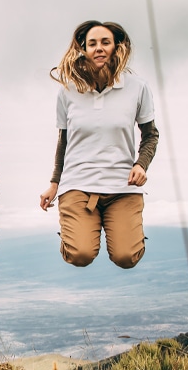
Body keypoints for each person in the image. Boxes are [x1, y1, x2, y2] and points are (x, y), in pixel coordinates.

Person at [38, 21, 159, 270]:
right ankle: (74, 233)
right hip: (78, 184)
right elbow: (63, 140)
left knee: (126, 257)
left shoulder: (137, 87)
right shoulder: (68, 90)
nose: (99, 48)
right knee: (80, 254)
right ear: (84, 49)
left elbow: (150, 135)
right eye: (92, 43)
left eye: (106, 42)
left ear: (117, 47)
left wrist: (141, 164)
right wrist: (54, 183)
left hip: (122, 185)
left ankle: (127, 233)